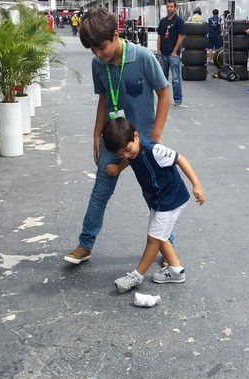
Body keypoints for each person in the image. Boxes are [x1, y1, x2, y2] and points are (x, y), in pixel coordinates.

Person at [63, 7, 171, 265]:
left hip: (142, 144)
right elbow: (104, 99)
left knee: (155, 199)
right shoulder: (97, 64)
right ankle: (85, 245)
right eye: (92, 49)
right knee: (99, 193)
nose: (98, 54)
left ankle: (169, 251)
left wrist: (154, 136)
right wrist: (95, 135)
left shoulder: (143, 57)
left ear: (115, 34)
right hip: (111, 140)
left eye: (101, 47)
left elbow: (164, 94)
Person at [102, 117, 205, 293]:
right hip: (158, 199)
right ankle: (176, 271)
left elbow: (181, 159)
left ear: (136, 136)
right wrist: (119, 167)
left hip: (171, 199)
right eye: (121, 154)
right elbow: (130, 158)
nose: (126, 155)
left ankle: (136, 276)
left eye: (127, 150)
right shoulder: (132, 150)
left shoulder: (154, 149)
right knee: (160, 236)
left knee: (153, 239)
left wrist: (196, 184)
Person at [157, 0, 184, 106]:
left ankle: (178, 98)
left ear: (175, 8)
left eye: (171, 7)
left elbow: (181, 36)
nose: (169, 8)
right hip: (163, 54)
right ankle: (165, 98)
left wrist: (174, 51)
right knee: (163, 79)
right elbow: (159, 37)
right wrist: (158, 51)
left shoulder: (179, 21)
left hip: (173, 55)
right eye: (167, 7)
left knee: (176, 78)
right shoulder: (163, 21)